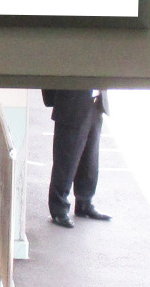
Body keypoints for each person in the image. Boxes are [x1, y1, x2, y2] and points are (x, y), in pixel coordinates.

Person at [40, 88, 110, 227]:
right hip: (72, 105)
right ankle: (59, 209)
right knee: (66, 161)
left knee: (90, 159)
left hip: (95, 103)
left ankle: (84, 203)